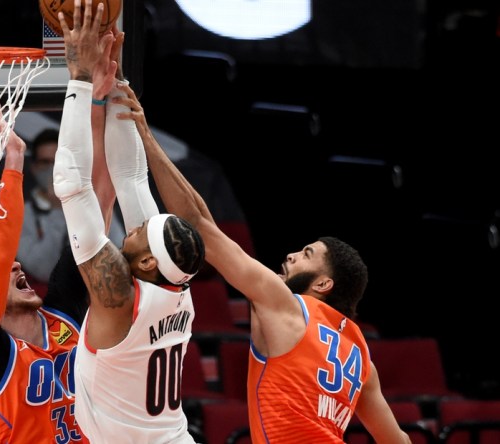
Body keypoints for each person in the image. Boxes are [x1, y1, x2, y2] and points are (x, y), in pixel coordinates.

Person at [114, 80, 412, 443]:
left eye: (307, 256)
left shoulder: (287, 304)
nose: (290, 255)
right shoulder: (362, 356)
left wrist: (146, 136)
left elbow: (202, 226)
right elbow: (396, 438)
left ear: (323, 284)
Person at [0, 73, 119, 442]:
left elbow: (97, 205)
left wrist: (97, 104)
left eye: (10, 264)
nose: (14, 264)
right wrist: (13, 166)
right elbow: (1, 248)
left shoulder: (63, 309)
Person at [52, 2, 206, 442]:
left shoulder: (121, 294)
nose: (132, 226)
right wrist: (112, 84)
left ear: (143, 264)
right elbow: (131, 177)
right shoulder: (166, 276)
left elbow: (72, 183)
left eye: (139, 233)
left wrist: (80, 80)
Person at [17, 127, 125, 283]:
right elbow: (43, 270)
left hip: (96, 290)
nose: (52, 169)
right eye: (45, 162)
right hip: (49, 300)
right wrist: (57, 209)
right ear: (34, 168)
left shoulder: (92, 202)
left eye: (56, 162)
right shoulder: (23, 214)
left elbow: (119, 251)